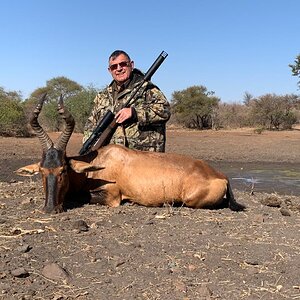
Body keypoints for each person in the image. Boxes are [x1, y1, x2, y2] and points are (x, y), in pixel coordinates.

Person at [83, 50, 171, 152]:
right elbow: (90, 126)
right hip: (113, 159)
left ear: (131, 65)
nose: (119, 69)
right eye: (114, 66)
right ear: (109, 70)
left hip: (143, 159)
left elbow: (165, 111)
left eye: (123, 64)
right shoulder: (102, 96)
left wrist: (134, 113)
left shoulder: (148, 88)